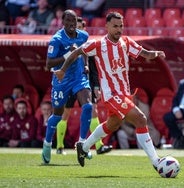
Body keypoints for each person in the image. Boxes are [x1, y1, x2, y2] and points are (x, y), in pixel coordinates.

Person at [54, 12, 166, 170]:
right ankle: (156, 162)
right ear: (106, 26)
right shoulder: (98, 44)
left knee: (114, 124)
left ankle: (83, 147)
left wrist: (155, 53)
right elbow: (76, 52)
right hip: (111, 94)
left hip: (124, 93)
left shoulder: (126, 42)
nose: (119, 29)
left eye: (121, 26)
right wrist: (63, 70)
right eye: (115, 26)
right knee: (140, 118)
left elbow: (144, 53)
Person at [41, 9, 94, 164]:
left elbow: (83, 51)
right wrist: (67, 55)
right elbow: (48, 64)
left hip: (78, 78)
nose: (71, 24)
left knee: (88, 106)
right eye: (68, 21)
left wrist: (85, 65)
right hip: (61, 80)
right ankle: (47, 143)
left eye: (74, 20)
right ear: (62, 22)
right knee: (57, 116)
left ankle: (83, 144)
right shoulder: (56, 39)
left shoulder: (83, 35)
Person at [55, 16, 112, 155]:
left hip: (84, 83)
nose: (77, 30)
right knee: (65, 113)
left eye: (80, 28)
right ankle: (59, 146)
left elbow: (94, 68)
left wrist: (97, 86)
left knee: (93, 110)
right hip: (69, 83)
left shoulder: (88, 46)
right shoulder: (65, 44)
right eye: (76, 27)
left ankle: (99, 146)